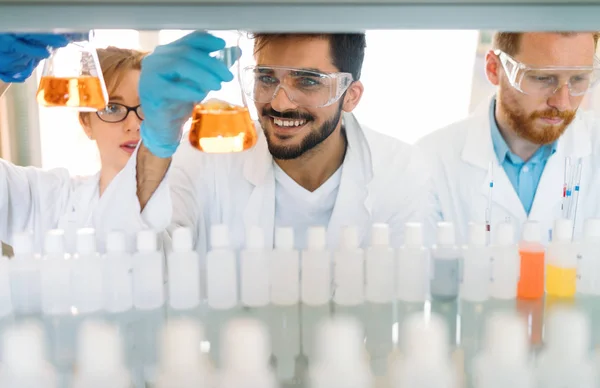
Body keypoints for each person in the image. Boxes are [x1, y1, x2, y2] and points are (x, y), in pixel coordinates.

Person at [134, 31, 437, 254]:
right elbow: (147, 261)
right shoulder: (207, 157)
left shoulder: (401, 171)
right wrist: (157, 142)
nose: (279, 103)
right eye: (266, 78)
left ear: (351, 96)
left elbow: (404, 303)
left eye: (307, 81)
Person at [417, 31, 600, 244]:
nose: (562, 103)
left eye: (578, 79)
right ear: (494, 69)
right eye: (542, 78)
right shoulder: (429, 163)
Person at [0, 35, 168, 252]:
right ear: (86, 123)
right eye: (112, 108)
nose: (134, 124)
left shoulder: (183, 194)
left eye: (146, 107)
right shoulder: (48, 198)